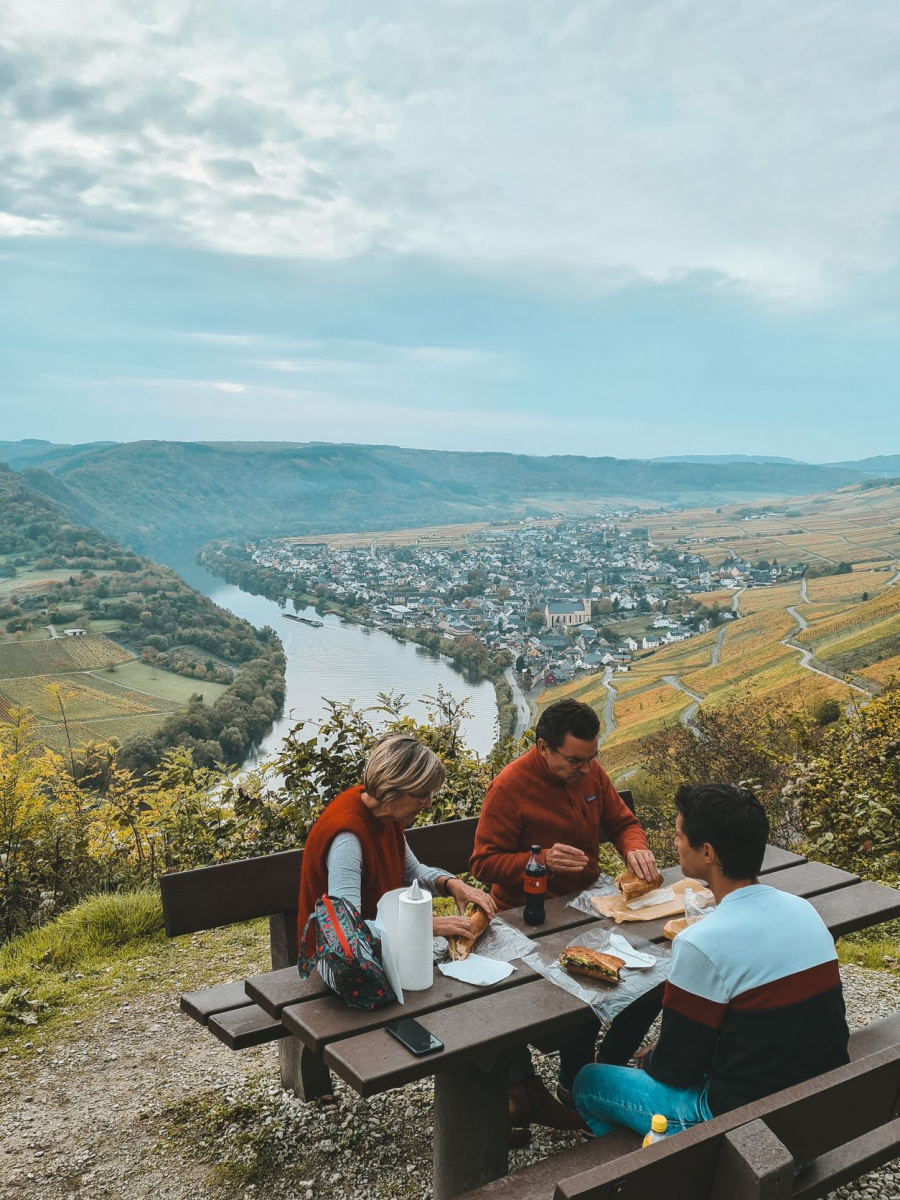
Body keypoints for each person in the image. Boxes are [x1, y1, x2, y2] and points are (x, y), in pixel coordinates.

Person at [573, 782, 850, 1138]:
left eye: (678, 836)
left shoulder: (700, 941)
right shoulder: (804, 910)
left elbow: (676, 1070)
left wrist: (651, 1060)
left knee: (588, 1081)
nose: (674, 843)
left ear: (707, 852)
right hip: (824, 1112)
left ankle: (648, 1168)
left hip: (748, 1132)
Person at [470, 698, 661, 1138]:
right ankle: (565, 1080)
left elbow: (621, 822)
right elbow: (482, 863)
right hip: (527, 919)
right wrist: (540, 861)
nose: (584, 769)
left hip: (589, 906)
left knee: (655, 983)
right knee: (580, 994)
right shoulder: (510, 788)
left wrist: (635, 846)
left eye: (591, 758)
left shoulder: (589, 772)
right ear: (544, 748)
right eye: (574, 761)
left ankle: (597, 1072)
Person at [298, 734, 495, 950]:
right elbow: (346, 930)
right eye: (422, 795)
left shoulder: (387, 815)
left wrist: (452, 885)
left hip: (381, 952)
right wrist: (425, 926)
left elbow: (411, 872)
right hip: (339, 966)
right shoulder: (347, 839)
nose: (428, 804)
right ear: (391, 789)